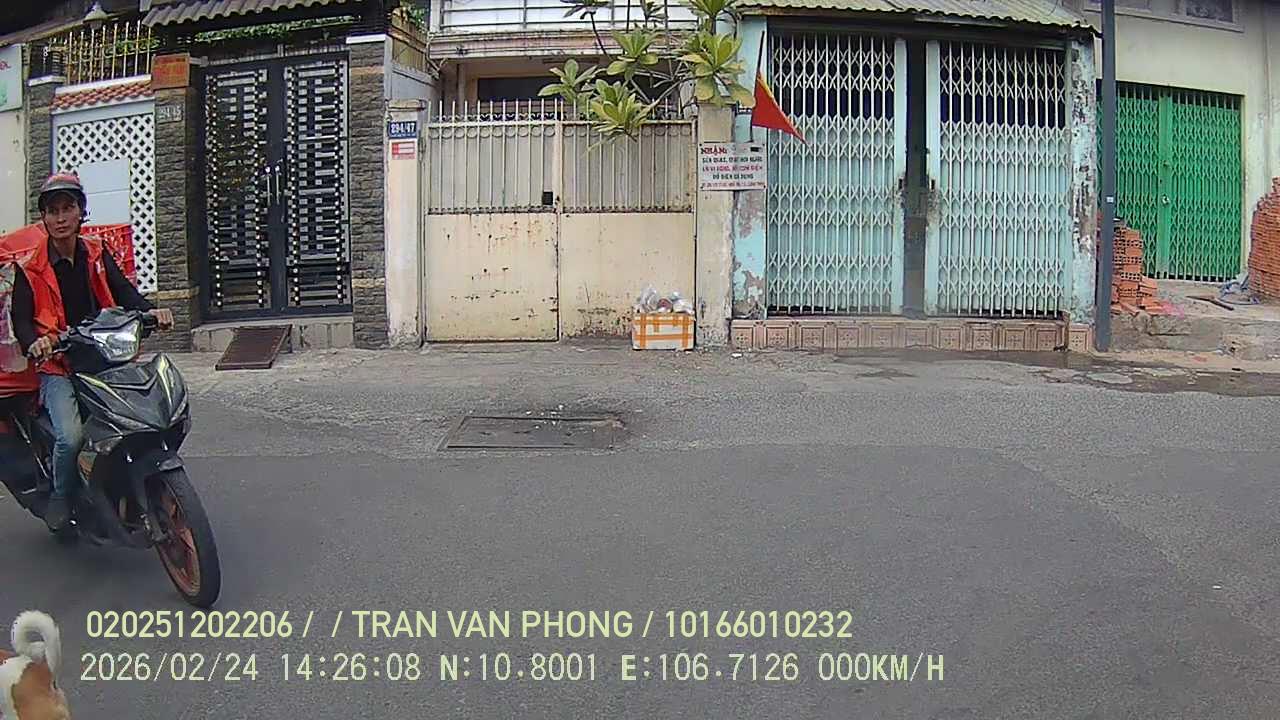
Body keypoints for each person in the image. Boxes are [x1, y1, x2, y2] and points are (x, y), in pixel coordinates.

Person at [10, 173, 173, 531]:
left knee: (137, 415)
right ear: (44, 218)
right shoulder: (30, 268)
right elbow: (21, 320)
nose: (61, 218)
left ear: (81, 211)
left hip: (100, 354)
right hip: (58, 363)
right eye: (53, 211)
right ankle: (60, 497)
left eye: (68, 208)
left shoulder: (96, 252)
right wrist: (35, 342)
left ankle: (124, 477)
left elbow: (124, 292)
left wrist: (152, 311)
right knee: (71, 437)